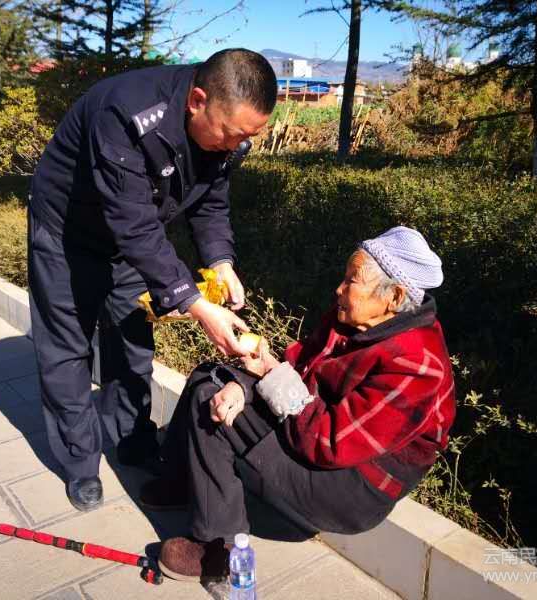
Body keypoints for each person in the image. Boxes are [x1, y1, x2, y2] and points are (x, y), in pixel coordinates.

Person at [27, 49, 277, 512]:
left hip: (129, 240)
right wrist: (197, 306)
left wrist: (221, 262)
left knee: (131, 342)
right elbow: (134, 223)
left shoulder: (223, 136)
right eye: (232, 133)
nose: (236, 145)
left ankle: (132, 440)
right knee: (68, 348)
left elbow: (210, 202)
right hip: (67, 233)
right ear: (197, 101)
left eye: (249, 137)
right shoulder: (125, 112)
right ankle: (80, 462)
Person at [138, 226, 457, 582]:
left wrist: (266, 377)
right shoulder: (354, 319)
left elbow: (329, 442)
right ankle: (182, 483)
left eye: (352, 280)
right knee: (209, 376)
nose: (339, 289)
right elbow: (300, 366)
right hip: (313, 425)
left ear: (394, 297)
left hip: (349, 485)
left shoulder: (416, 365)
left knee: (211, 404)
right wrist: (245, 384)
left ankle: (217, 550)